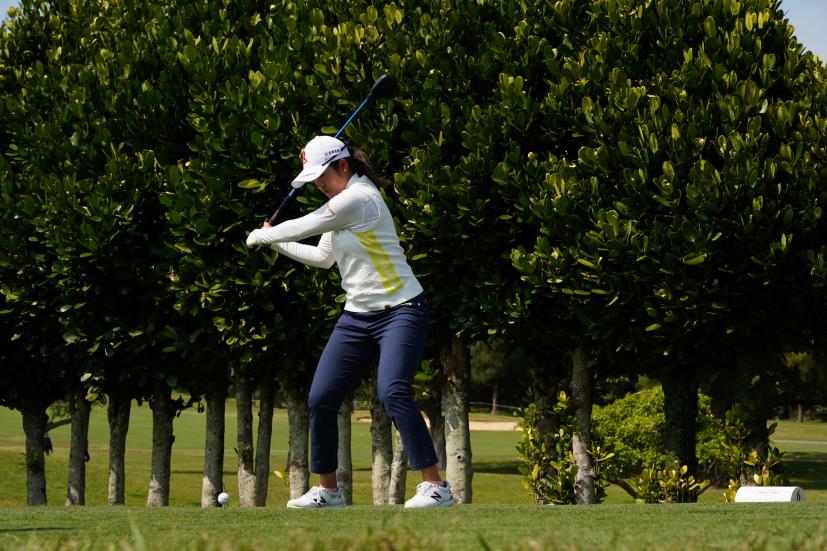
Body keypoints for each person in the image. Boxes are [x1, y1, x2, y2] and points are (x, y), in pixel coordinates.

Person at [246, 135, 454, 509]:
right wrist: (272, 241)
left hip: (401, 310)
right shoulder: (340, 204)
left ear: (343, 166)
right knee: (321, 398)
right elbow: (323, 257)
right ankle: (328, 491)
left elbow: (306, 224)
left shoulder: (359, 198)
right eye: (314, 181)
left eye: (322, 177)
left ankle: (436, 487)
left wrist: (264, 234)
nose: (319, 185)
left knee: (392, 391)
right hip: (357, 316)